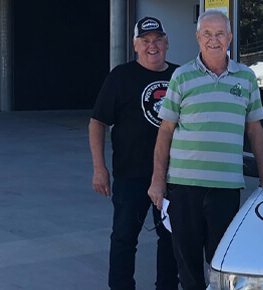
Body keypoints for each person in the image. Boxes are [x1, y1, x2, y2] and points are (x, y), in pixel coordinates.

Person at [147, 10, 263, 290]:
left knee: (222, 264)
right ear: (198, 38)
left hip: (225, 188)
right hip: (184, 187)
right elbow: (165, 131)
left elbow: (255, 130)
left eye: (220, 33)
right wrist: (157, 180)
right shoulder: (181, 76)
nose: (214, 40)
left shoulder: (246, 78)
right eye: (208, 34)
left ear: (231, 38)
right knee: (187, 267)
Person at [89, 16, 179, 290]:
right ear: (135, 46)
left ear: (167, 43)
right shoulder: (121, 76)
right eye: (146, 41)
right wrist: (99, 169)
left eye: (158, 40)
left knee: (172, 239)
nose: (153, 46)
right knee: (124, 238)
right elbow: (97, 122)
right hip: (131, 175)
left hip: (174, 176)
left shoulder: (180, 76)